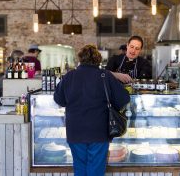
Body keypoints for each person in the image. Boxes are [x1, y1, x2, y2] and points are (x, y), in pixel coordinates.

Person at [54, 44, 130, 176]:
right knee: (96, 170)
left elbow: (59, 100)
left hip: (75, 131)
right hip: (99, 131)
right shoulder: (105, 76)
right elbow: (123, 99)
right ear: (98, 60)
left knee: (80, 168)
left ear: (80, 59)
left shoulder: (69, 76)